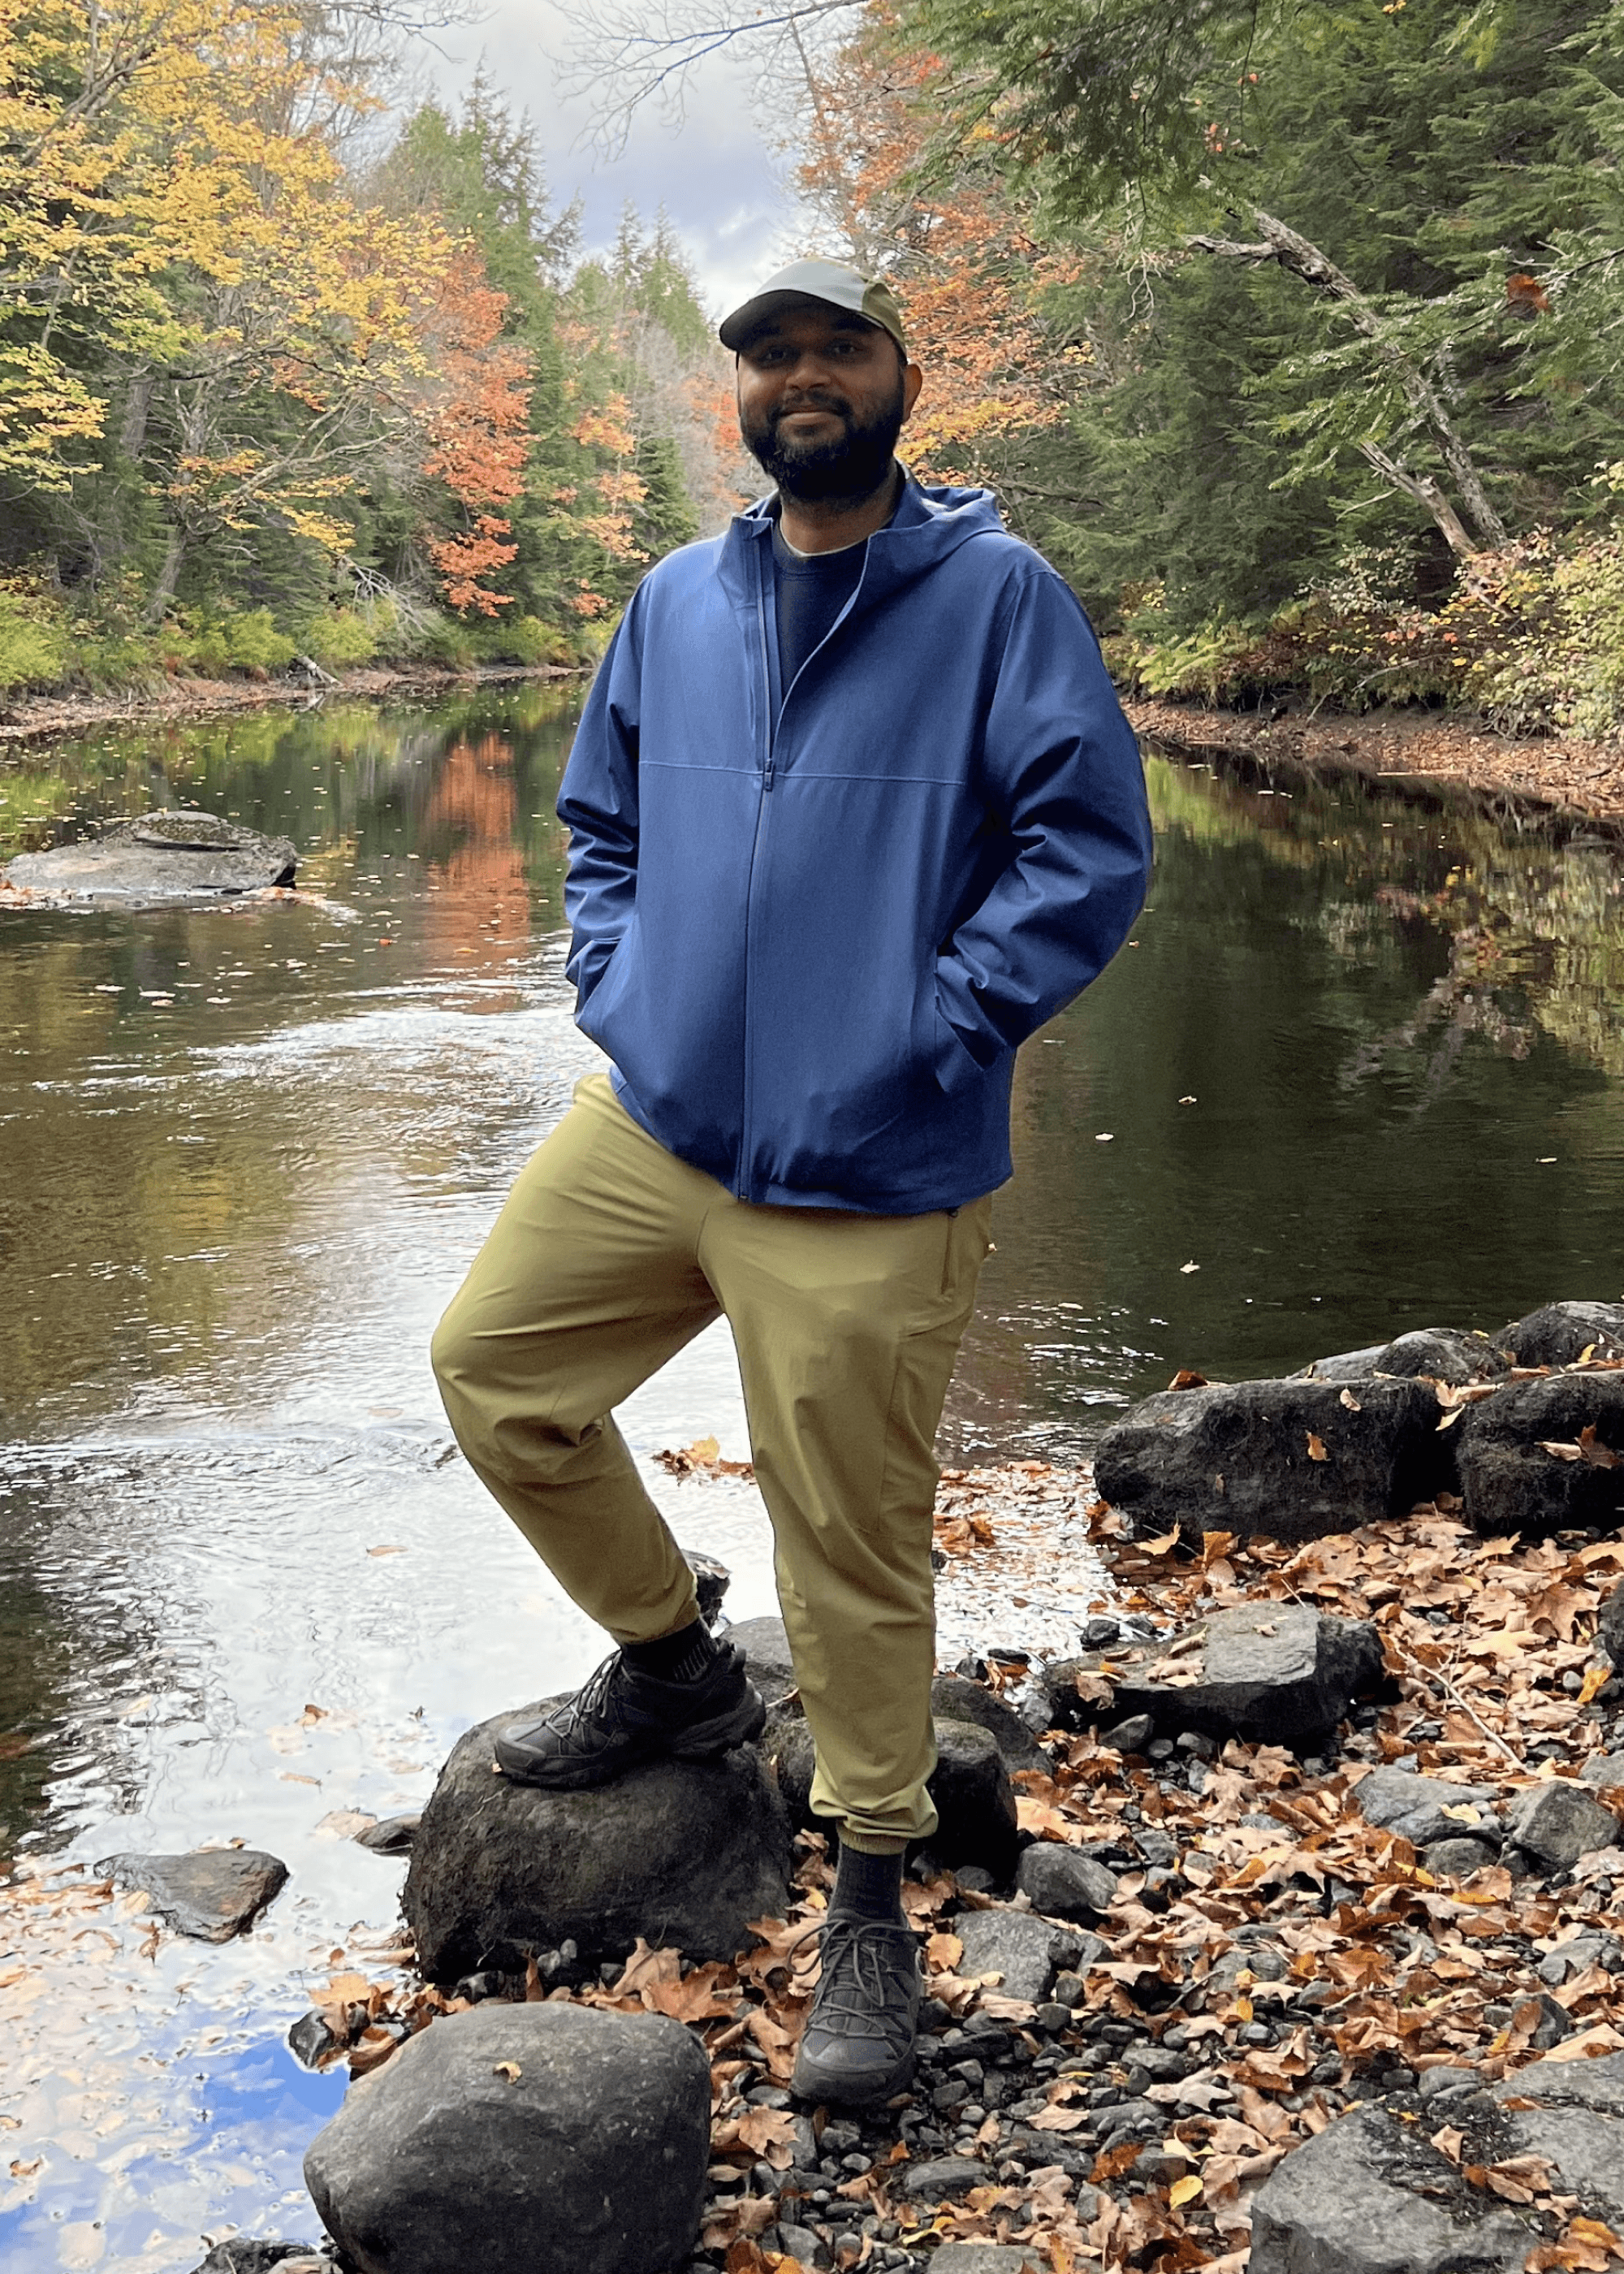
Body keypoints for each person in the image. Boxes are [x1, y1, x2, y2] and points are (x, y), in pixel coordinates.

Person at [430, 257, 1153, 2108]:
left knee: (845, 1541)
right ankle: (673, 1661)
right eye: (771, 355)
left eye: (838, 348)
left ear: (905, 374)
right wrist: (620, 982)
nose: (802, 378)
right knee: (495, 1373)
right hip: (660, 1120)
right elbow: (599, 821)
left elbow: (1083, 851)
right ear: (735, 394)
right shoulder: (673, 598)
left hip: (874, 1153)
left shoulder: (997, 599)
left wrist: (935, 1018)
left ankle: (871, 1893)